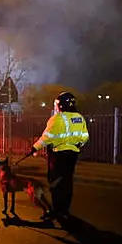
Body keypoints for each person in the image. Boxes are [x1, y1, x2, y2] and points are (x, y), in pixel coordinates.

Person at [30, 91, 89, 221]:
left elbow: (47, 137)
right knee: (67, 181)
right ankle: (65, 209)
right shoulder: (79, 117)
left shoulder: (57, 118)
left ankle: (57, 210)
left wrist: (35, 147)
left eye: (57, 104)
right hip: (72, 155)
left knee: (56, 183)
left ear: (61, 105)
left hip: (58, 156)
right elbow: (85, 136)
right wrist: (78, 145)